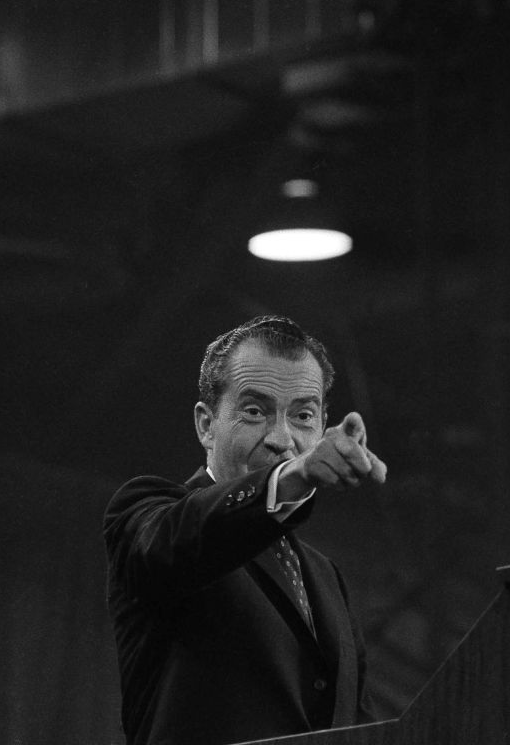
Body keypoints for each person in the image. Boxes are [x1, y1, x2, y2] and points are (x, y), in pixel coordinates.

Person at [103, 315, 388, 745]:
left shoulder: (327, 578)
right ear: (206, 424)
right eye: (255, 411)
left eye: (303, 415)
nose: (282, 438)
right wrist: (295, 475)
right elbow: (182, 540)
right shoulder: (147, 514)